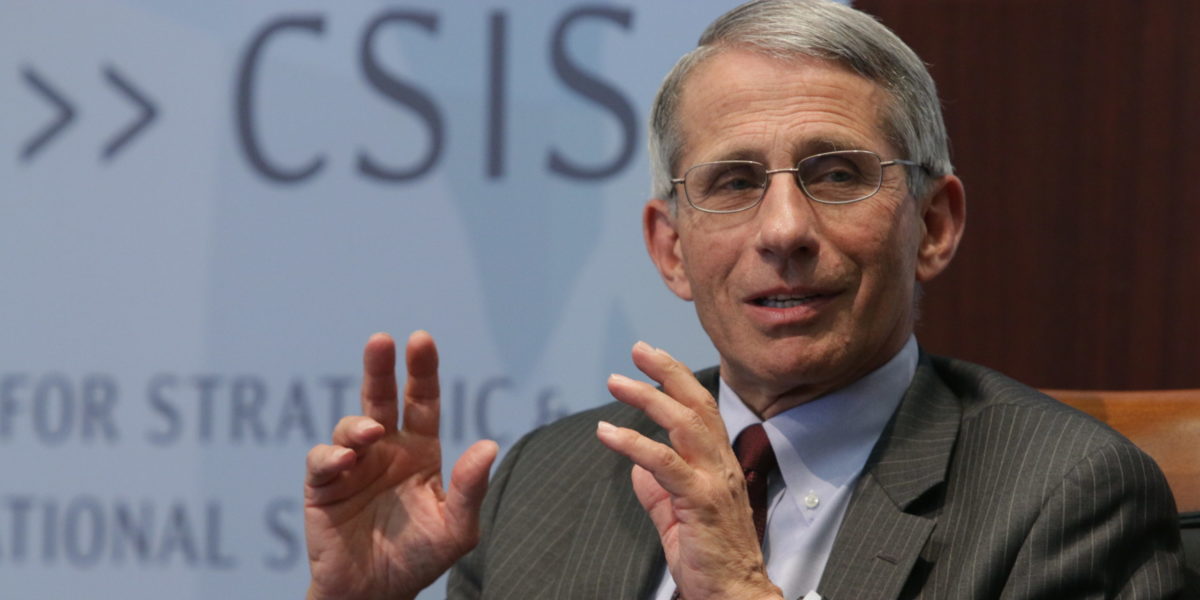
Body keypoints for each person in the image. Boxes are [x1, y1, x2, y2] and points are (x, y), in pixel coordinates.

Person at [303, 1, 1187, 598]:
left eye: (837, 174)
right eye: (732, 182)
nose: (784, 230)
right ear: (670, 249)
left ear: (935, 224)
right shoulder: (545, 484)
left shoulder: (1065, 499)